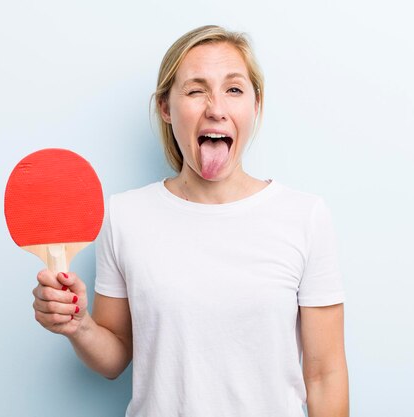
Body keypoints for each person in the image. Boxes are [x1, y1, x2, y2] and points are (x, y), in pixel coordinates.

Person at [32, 25, 349, 417]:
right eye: (196, 90)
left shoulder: (305, 216)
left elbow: (325, 375)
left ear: (256, 104)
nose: (216, 108)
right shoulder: (124, 216)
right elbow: (114, 358)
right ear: (166, 107)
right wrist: (79, 325)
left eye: (234, 90)